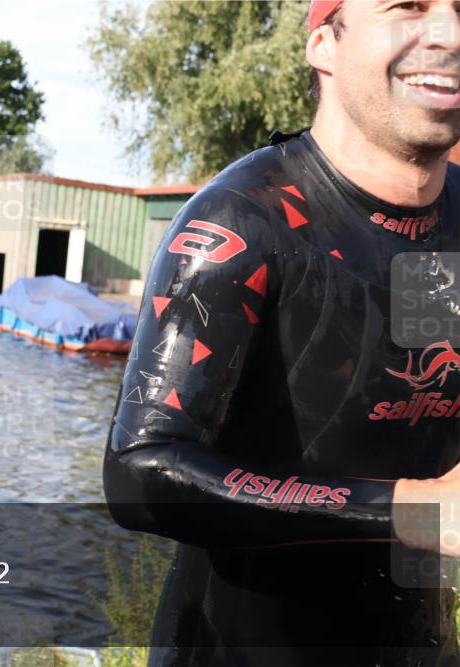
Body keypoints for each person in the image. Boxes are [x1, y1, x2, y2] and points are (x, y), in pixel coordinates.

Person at [102, 1, 460, 664]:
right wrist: (413, 509)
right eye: (407, 6)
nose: (447, 33)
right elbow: (139, 473)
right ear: (325, 42)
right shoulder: (240, 224)